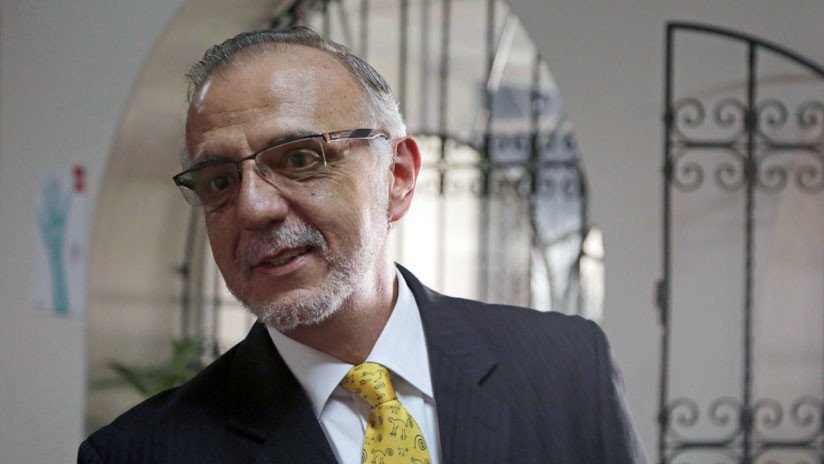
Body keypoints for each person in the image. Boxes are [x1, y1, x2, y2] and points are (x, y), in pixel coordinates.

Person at [78, 26, 647, 464]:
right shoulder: (141, 453)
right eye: (219, 181)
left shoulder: (566, 368)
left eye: (300, 158)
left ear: (397, 176)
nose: (253, 208)